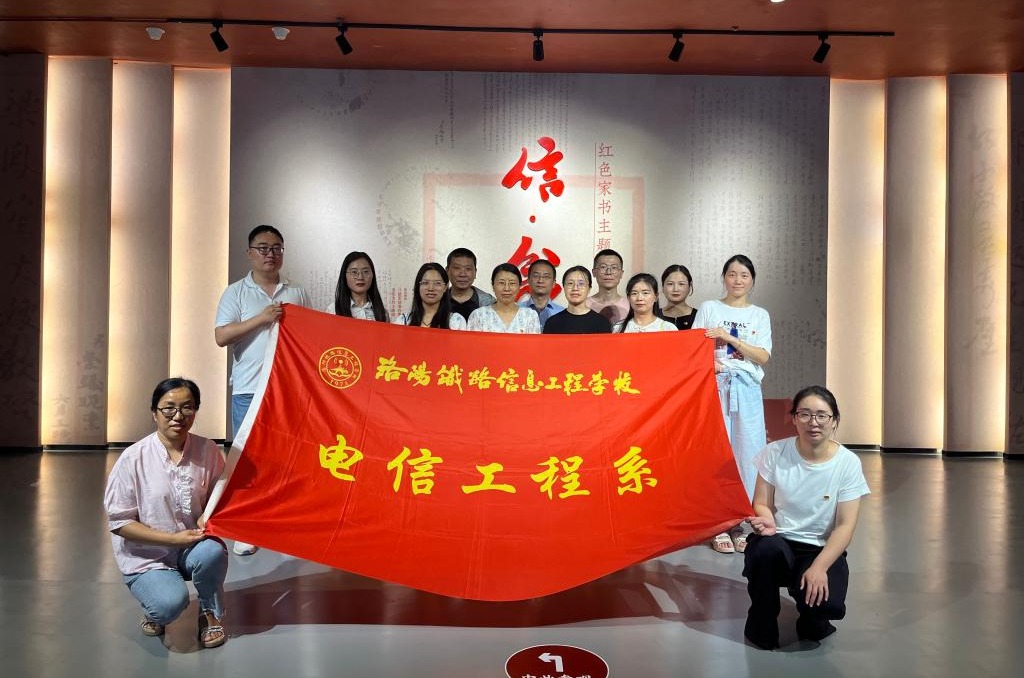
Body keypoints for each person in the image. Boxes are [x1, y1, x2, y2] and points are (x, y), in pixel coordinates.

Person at [103, 378, 229, 649]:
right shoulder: (132, 458)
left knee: (213, 551)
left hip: (191, 545)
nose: (178, 416)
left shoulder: (208, 450)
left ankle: (209, 612)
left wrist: (208, 515)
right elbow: (120, 522)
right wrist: (173, 539)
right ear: (154, 412)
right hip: (147, 555)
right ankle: (155, 605)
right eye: (169, 408)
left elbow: (221, 497)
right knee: (169, 605)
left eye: (187, 407)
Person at [743, 386, 870, 650]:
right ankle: (761, 621)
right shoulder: (774, 452)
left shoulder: (848, 463)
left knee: (825, 609)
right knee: (764, 551)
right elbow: (761, 503)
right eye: (805, 414)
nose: (813, 422)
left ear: (834, 420)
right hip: (779, 539)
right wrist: (767, 520)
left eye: (822, 415)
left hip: (819, 548)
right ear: (794, 418)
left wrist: (820, 567)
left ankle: (812, 615)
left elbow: (845, 526)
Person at [214, 225, 311, 556]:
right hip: (249, 387)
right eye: (263, 248)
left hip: (288, 390)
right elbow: (222, 336)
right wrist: (262, 318)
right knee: (248, 459)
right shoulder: (235, 293)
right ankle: (247, 527)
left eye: (277, 248)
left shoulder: (296, 292)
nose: (271, 254)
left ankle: (281, 521)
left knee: (287, 457)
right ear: (250, 253)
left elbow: (310, 337)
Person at [693, 254, 772, 555]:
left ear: (752, 280)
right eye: (732, 274)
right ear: (723, 277)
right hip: (716, 388)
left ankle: (739, 520)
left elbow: (762, 356)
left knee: (747, 453)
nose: (738, 280)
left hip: (747, 390)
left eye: (744, 275)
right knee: (716, 452)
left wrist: (730, 338)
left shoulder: (759, 315)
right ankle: (717, 522)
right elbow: (695, 347)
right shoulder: (709, 308)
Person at [467, 263, 542, 334]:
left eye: (512, 283)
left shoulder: (529, 316)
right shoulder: (479, 315)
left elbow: (534, 343)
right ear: (493, 286)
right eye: (501, 283)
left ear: (519, 286)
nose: (506, 288)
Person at [393, 263, 467, 329]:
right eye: (425, 283)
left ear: (445, 287)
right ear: (418, 286)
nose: (431, 288)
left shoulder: (456, 322)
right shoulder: (402, 322)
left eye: (437, 283)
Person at [543, 266, 612, 334]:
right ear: (564, 287)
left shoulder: (602, 323)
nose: (575, 288)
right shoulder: (552, 323)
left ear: (589, 289)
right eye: (570, 283)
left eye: (581, 284)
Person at [332, 251, 389, 321]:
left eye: (366, 272)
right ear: (345, 276)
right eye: (354, 272)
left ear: (372, 275)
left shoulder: (382, 313)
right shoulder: (333, 311)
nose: (360, 277)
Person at [445, 247, 495, 321]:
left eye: (468, 269)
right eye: (457, 268)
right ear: (447, 271)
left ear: (475, 272)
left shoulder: (488, 302)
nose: (463, 274)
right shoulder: (438, 300)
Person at [586, 249, 630, 325]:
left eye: (614, 268)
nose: (608, 272)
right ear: (594, 272)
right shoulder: (583, 305)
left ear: (621, 273)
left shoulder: (631, 305)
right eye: (603, 267)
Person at [519, 259, 565, 328]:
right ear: (528, 280)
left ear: (554, 283)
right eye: (536, 276)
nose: (540, 280)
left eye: (546, 277)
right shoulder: (516, 311)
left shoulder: (562, 313)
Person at [660, 264, 697, 330]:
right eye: (670, 284)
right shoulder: (653, 316)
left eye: (681, 284)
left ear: (690, 286)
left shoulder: (699, 316)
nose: (675, 289)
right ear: (662, 287)